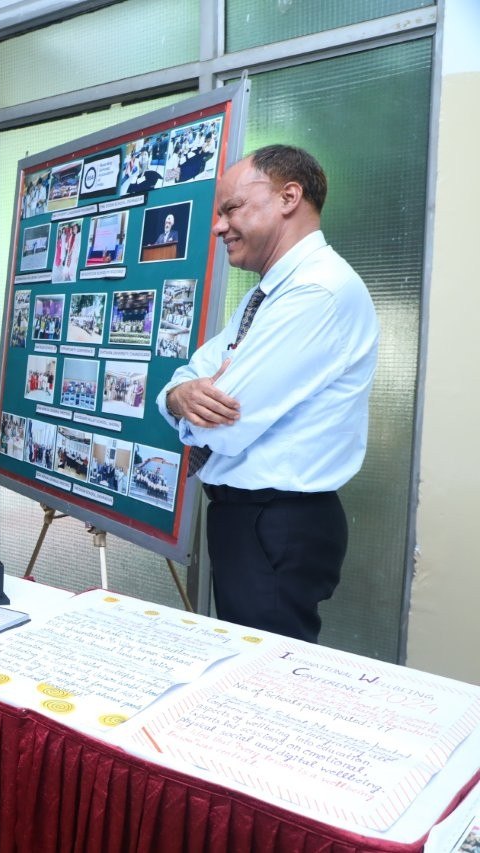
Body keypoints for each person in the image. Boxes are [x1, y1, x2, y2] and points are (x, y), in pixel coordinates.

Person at [156, 145, 378, 643]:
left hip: (276, 522)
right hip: (253, 519)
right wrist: (179, 395)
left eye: (231, 208)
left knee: (265, 674)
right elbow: (187, 378)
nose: (219, 227)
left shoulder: (316, 292)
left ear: (288, 197)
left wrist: (192, 398)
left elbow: (224, 426)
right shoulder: (272, 292)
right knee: (247, 663)